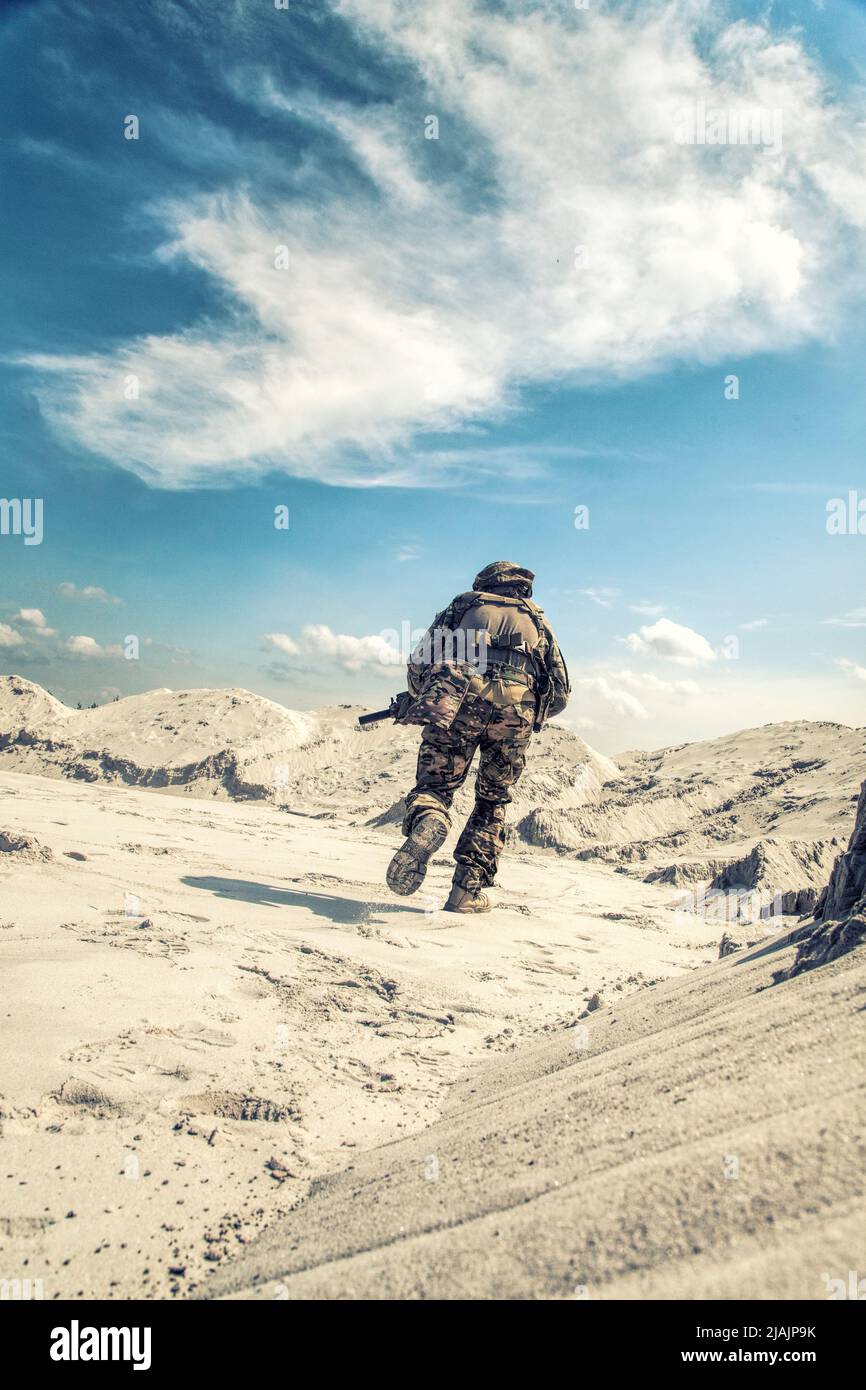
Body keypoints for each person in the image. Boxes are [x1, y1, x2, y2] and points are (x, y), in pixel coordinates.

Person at [386, 561, 570, 913]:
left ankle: (431, 818)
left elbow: (420, 662)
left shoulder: (463, 606)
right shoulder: (539, 622)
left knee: (436, 786)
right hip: (516, 713)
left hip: (458, 703)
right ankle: (465, 892)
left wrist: (423, 696)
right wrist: (526, 717)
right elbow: (560, 692)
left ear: (484, 582)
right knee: (492, 801)